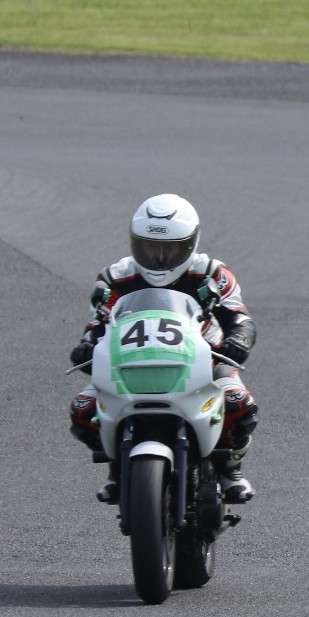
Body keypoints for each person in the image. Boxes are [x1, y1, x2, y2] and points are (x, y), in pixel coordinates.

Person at [68, 193, 259, 505]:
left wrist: (238, 340)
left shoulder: (212, 273)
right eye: (150, 247)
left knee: (240, 404)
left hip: (204, 358)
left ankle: (229, 469)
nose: (159, 257)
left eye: (170, 248)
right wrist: (86, 346)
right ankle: (117, 469)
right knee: (82, 410)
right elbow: (97, 325)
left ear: (190, 244)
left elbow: (240, 318)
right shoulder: (114, 277)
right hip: (128, 362)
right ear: (135, 243)